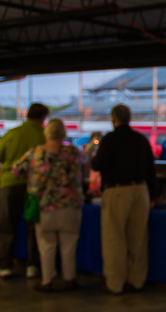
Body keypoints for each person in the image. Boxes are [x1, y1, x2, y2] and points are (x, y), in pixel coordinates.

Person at [11, 119, 83, 292]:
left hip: (44, 207)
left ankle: (47, 280)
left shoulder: (35, 153)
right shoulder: (73, 152)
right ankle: (70, 279)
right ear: (64, 133)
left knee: (46, 245)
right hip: (70, 206)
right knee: (69, 245)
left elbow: (16, 170)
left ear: (47, 132)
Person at [91, 104, 156, 295]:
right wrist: (151, 195)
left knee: (115, 239)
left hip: (118, 191)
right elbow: (150, 170)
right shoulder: (140, 139)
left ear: (113, 120)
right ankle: (136, 281)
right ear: (129, 118)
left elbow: (98, 164)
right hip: (141, 190)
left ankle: (115, 283)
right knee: (139, 238)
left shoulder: (109, 139)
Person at [0, 102, 49, 278]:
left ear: (27, 115)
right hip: (33, 187)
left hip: (8, 185)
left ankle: (5, 266)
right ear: (44, 118)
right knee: (33, 227)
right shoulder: (44, 136)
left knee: (6, 226)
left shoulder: (12, 133)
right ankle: (33, 266)